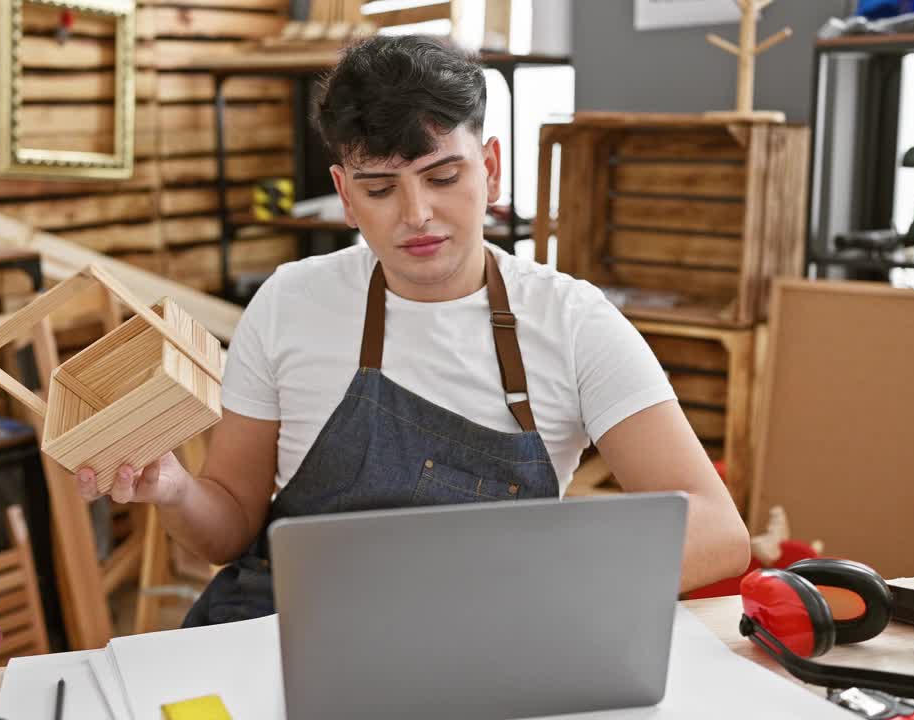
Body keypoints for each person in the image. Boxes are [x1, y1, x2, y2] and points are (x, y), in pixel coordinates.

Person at [74, 34, 750, 627]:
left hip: (483, 638)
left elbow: (719, 533)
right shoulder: (288, 304)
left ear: (489, 168)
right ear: (343, 193)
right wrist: (174, 490)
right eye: (379, 189)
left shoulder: (573, 323)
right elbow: (226, 528)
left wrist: (534, 570)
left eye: (442, 176)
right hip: (285, 630)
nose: (417, 214)